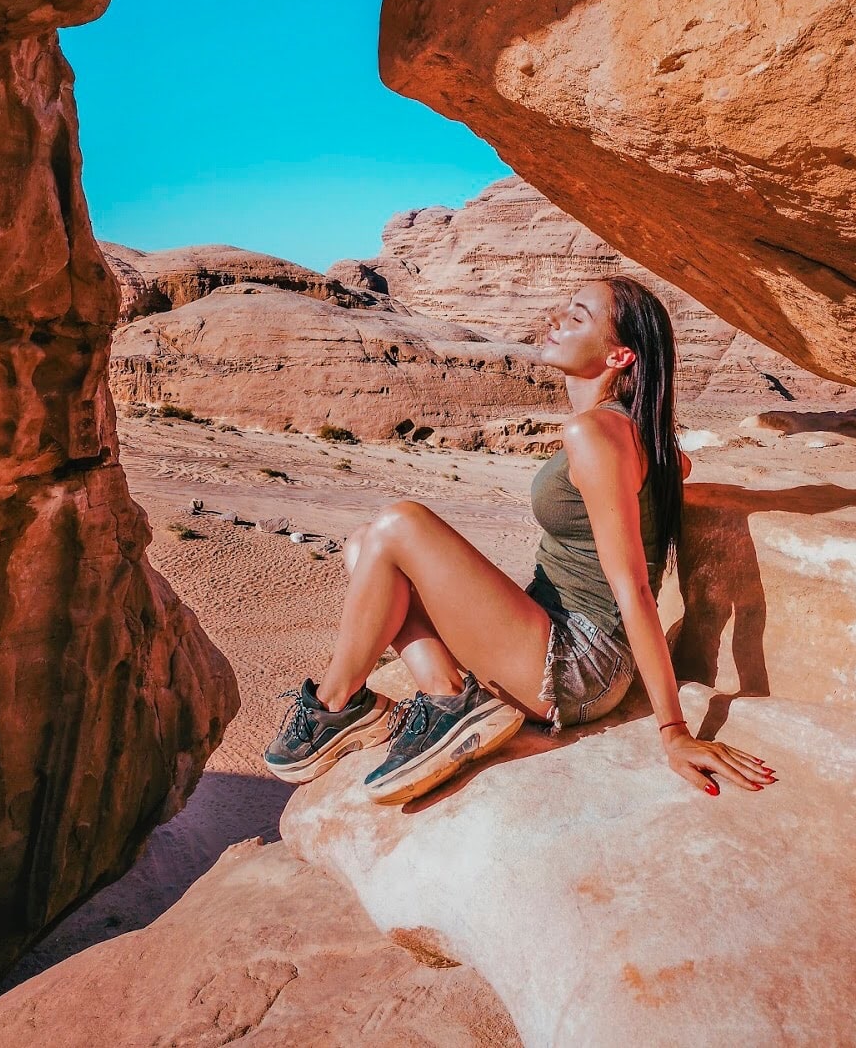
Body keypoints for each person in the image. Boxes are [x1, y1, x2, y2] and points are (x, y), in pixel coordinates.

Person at [263, 275, 776, 805]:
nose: (555, 319)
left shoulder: (595, 433)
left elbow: (633, 589)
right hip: (545, 626)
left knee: (400, 523)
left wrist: (674, 731)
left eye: (577, 317)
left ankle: (334, 703)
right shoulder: (624, 431)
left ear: (620, 356)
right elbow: (672, 466)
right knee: (362, 544)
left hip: (580, 662)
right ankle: (447, 697)